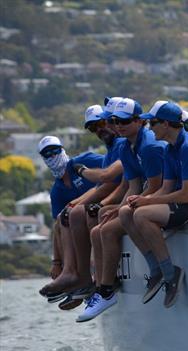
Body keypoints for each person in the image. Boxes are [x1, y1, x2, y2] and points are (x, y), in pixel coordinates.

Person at [125, 101, 188, 308]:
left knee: (142, 215)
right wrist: (140, 201)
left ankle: (170, 273)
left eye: (152, 123)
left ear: (165, 124)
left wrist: (146, 202)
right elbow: (166, 189)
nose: (149, 128)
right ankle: (155, 269)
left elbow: (186, 195)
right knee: (127, 213)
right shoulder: (170, 149)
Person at [77, 98, 165, 323]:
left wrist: (125, 206)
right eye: (114, 121)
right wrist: (117, 206)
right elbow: (133, 185)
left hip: (160, 197)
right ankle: (102, 286)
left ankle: (106, 290)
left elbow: (155, 185)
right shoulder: (125, 147)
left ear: (139, 121)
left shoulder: (149, 145)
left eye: (123, 121)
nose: (118, 126)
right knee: (99, 227)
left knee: (106, 231)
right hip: (145, 197)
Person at [58, 103, 126, 306]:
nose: (99, 130)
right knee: (70, 214)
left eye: (101, 123)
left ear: (113, 121)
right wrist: (74, 203)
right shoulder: (113, 149)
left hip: (135, 202)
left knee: (89, 214)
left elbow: (109, 181)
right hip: (128, 198)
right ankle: (81, 277)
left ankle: (101, 281)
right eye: (92, 128)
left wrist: (82, 172)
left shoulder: (124, 145)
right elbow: (106, 185)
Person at [37, 136, 103, 300]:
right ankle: (70, 272)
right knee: (62, 218)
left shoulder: (83, 161)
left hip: (104, 207)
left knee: (70, 213)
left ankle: (80, 275)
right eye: (47, 154)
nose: (52, 156)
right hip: (82, 223)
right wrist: (56, 262)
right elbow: (57, 228)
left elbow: (115, 168)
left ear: (63, 150)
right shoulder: (57, 191)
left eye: (55, 151)